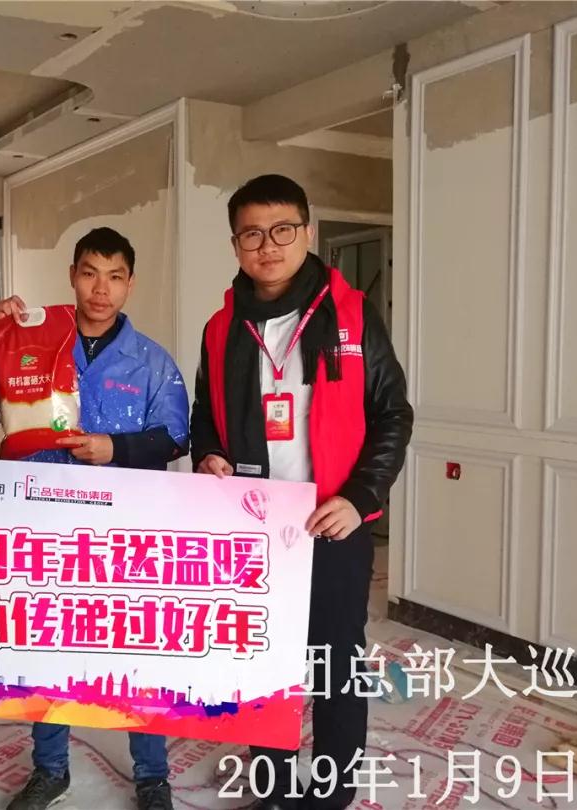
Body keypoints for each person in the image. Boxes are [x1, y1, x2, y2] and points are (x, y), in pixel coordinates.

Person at [190, 175, 413, 809]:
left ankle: (333, 792)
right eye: (252, 234)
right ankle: (276, 785)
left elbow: (393, 413)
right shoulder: (221, 327)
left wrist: (361, 497)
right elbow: (206, 413)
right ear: (235, 245)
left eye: (283, 229)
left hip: (331, 520)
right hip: (254, 526)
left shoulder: (352, 315)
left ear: (308, 232)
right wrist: (208, 454)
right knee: (264, 659)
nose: (269, 245)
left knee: (335, 660)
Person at [0, 227, 189, 810]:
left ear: (130, 283)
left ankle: (152, 776)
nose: (101, 289)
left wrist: (117, 448)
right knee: (47, 648)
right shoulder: (37, 341)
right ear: (72, 275)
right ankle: (50, 770)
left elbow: (176, 436)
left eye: (115, 276)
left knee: (139, 654)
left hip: (127, 534)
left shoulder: (151, 361)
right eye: (90, 273)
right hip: (45, 525)